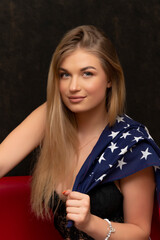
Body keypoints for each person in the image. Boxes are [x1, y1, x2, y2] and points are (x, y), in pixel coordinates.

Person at [0, 25, 160, 240]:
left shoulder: (131, 143)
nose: (73, 86)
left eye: (87, 74)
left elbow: (141, 232)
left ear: (110, 78)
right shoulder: (51, 116)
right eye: (65, 75)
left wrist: (90, 223)